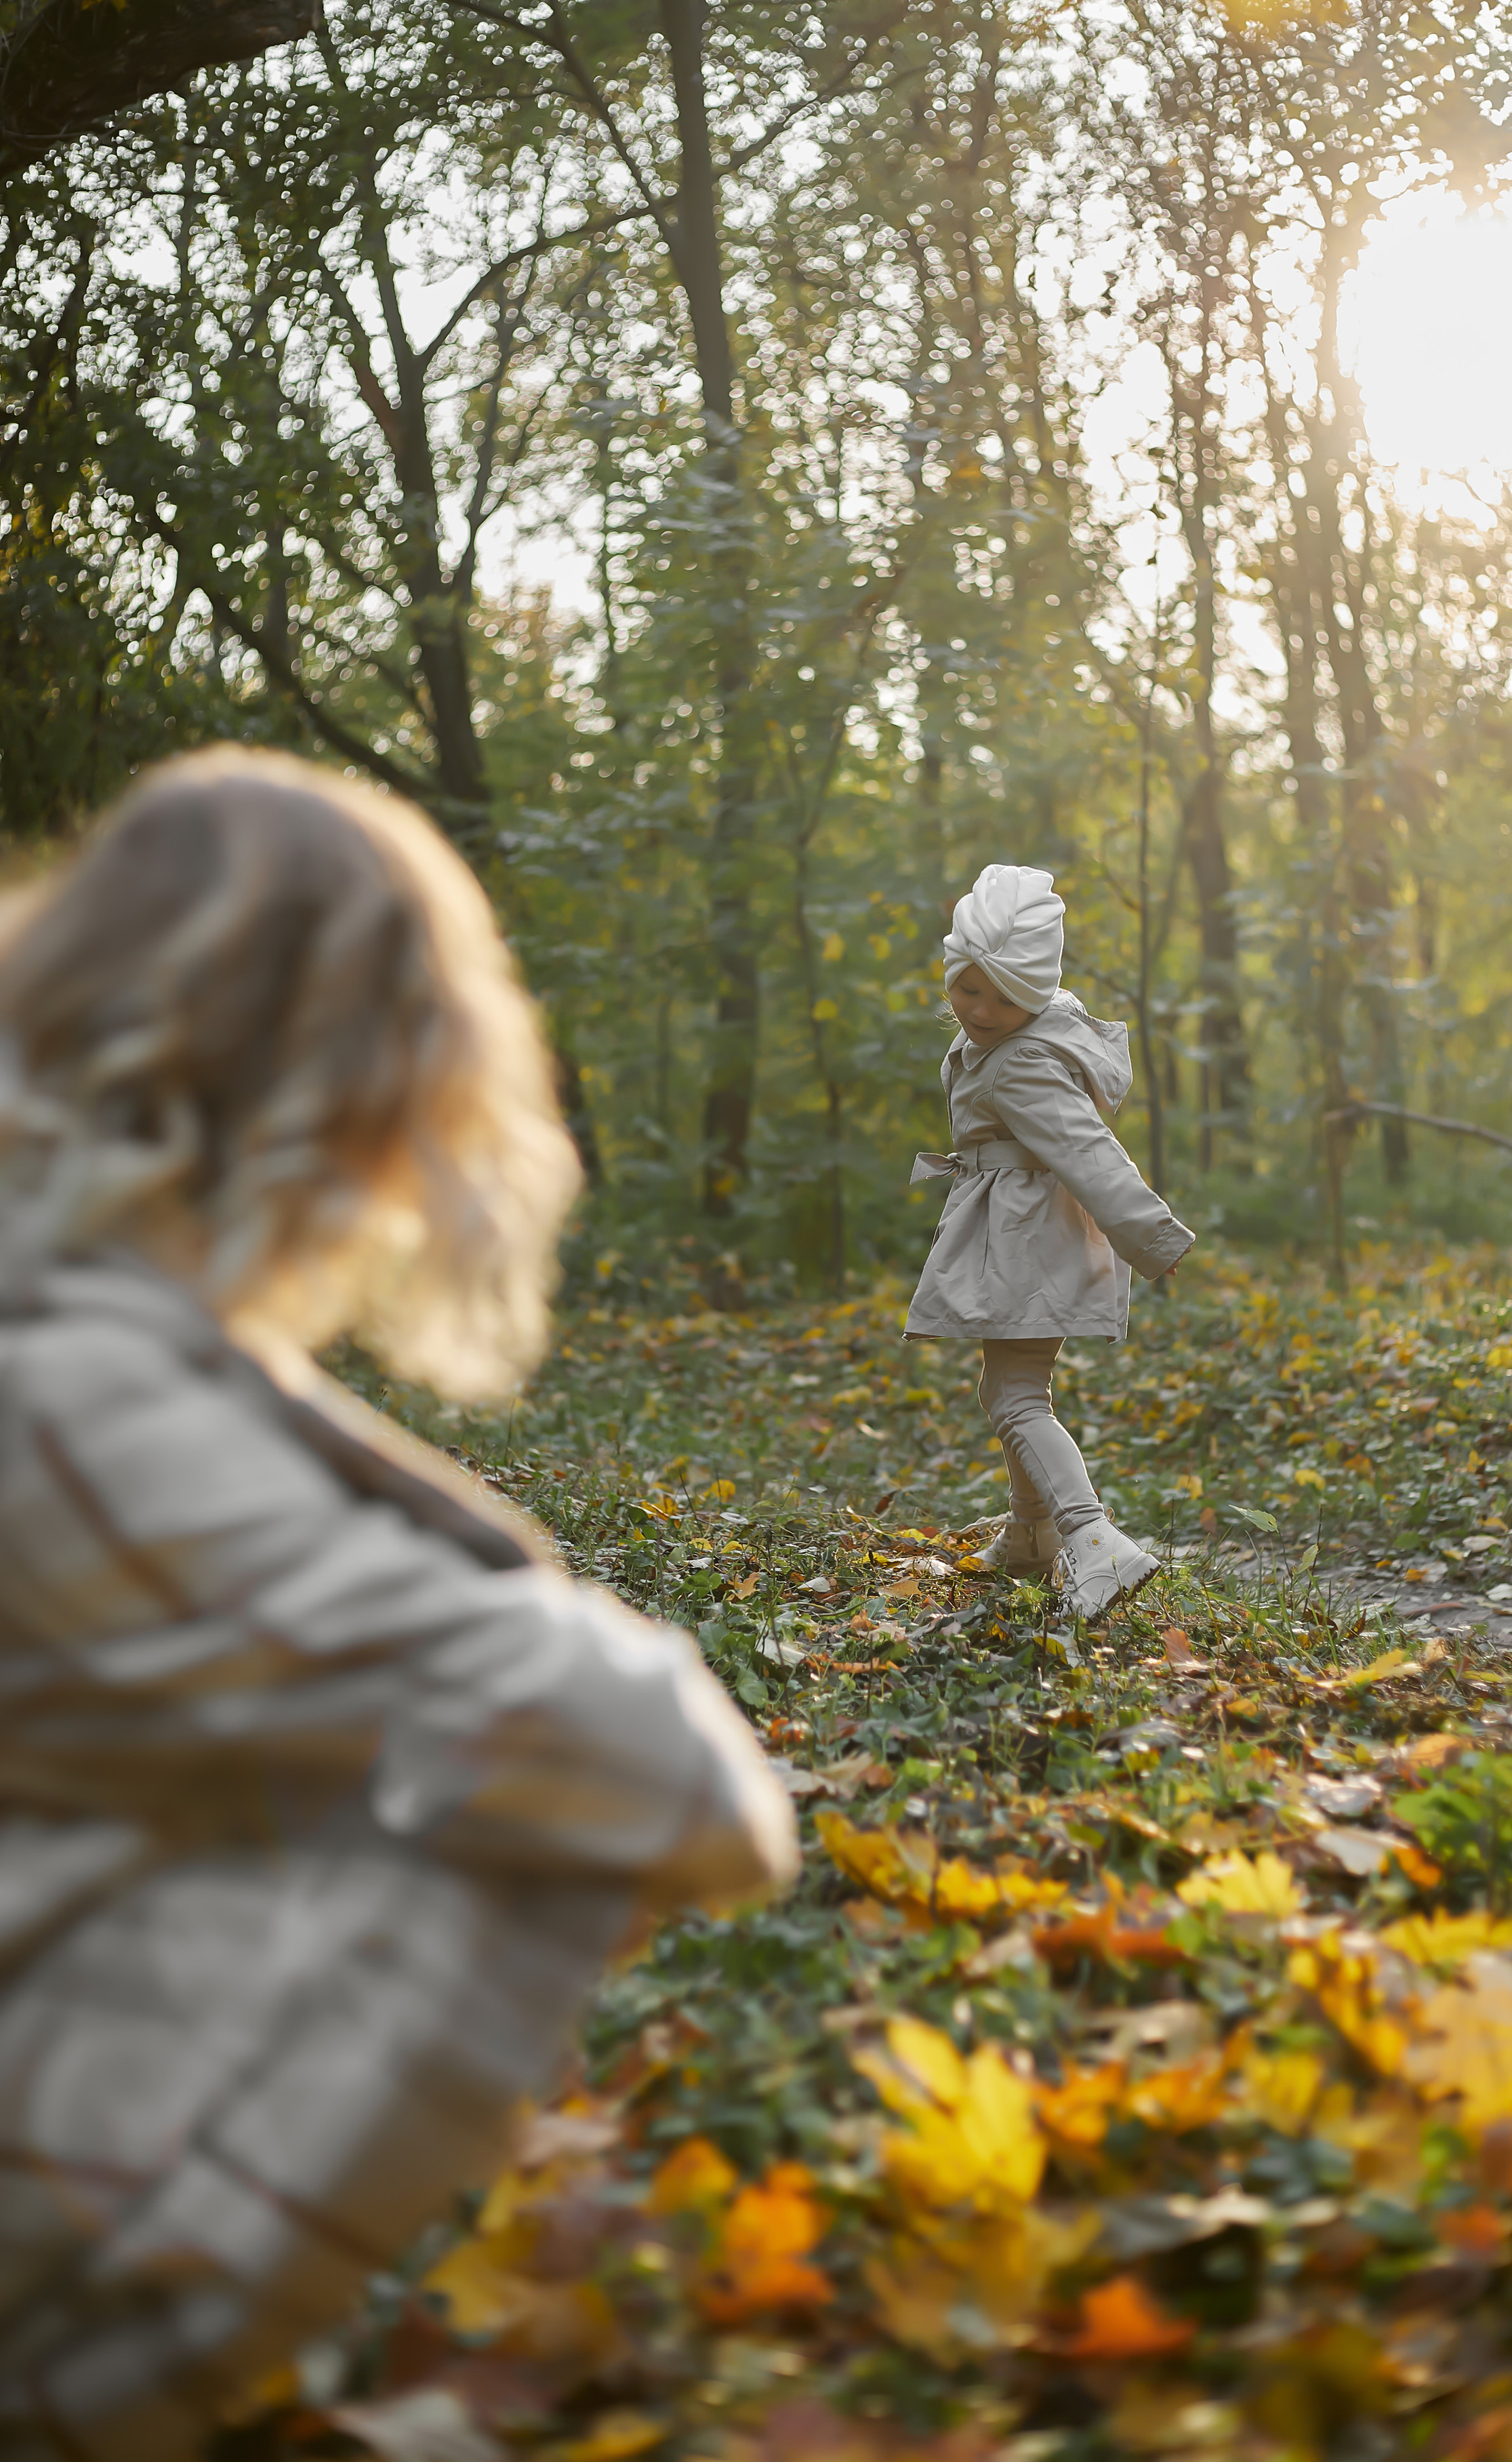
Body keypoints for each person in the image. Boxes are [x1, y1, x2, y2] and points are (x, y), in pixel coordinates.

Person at [0, 748, 797, 2462]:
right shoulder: (62, 1392)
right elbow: (683, 1779)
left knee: (363, 1749)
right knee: (514, 1801)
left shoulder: (65, 1323)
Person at [906, 862, 1195, 1620]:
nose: (982, 1010)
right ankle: (1032, 1533)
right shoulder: (1026, 1036)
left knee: (1013, 1394)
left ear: (1034, 993)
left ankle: (1092, 1540)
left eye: (1005, 997)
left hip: (1028, 1240)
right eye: (968, 989)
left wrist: (1151, 1234)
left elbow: (1087, 1150)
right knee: (1009, 1387)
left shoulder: (1023, 1061)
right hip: (1021, 1231)